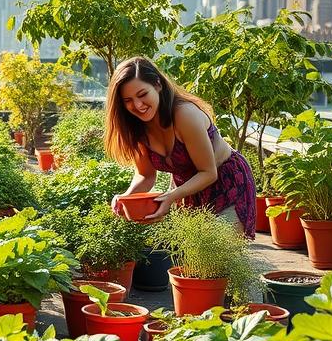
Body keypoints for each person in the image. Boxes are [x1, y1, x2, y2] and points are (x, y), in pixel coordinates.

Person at [105, 56, 256, 237]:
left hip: (227, 184)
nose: (137, 105)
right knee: (192, 261)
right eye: (128, 100)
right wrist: (126, 198)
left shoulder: (184, 115)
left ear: (158, 85)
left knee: (217, 253)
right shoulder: (136, 127)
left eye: (142, 94)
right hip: (189, 192)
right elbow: (145, 175)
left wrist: (172, 196)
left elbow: (208, 172)